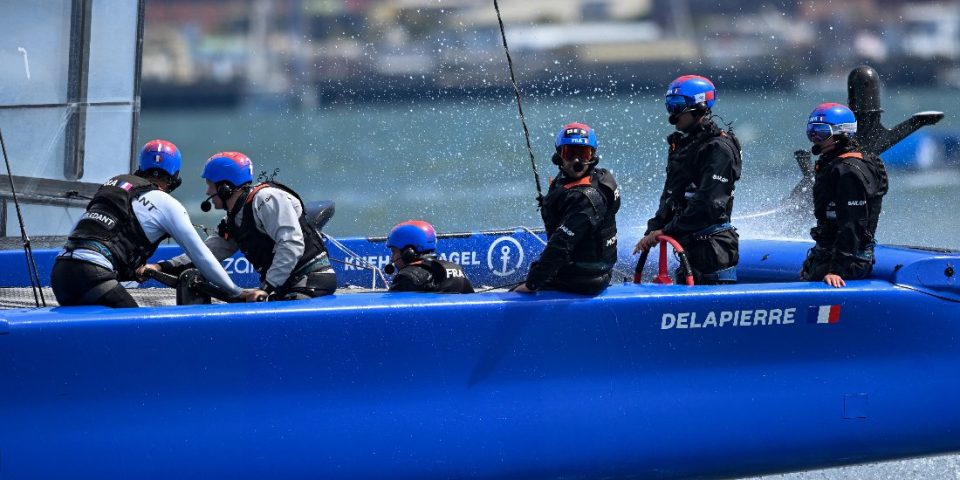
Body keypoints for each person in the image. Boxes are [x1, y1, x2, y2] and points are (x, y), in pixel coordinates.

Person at [51, 139, 259, 307]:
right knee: (139, 333)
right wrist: (237, 293)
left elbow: (89, 236)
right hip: (92, 275)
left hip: (60, 274)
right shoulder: (167, 203)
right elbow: (202, 256)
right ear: (174, 177)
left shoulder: (115, 186)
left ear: (141, 169)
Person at [146, 151, 336, 300]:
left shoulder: (266, 200)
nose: (207, 191)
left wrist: (266, 289)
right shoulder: (233, 220)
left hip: (311, 280)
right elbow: (204, 254)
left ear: (224, 188)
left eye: (210, 185)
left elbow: (291, 245)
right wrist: (161, 267)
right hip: (284, 286)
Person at [634, 75, 742, 285]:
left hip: (713, 251)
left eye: (678, 106)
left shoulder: (719, 148)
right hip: (685, 246)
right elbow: (672, 193)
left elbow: (708, 203)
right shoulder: (682, 145)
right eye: (669, 105)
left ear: (700, 107)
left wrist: (667, 230)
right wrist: (653, 229)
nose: (672, 114)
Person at [514, 122, 620, 295]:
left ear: (592, 155)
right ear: (559, 156)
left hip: (584, 279)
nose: (576, 161)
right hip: (584, 270)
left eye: (583, 154)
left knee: (515, 294)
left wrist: (532, 283)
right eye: (570, 154)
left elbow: (561, 244)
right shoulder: (570, 180)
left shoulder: (586, 198)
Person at [800, 102, 888, 288]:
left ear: (842, 133)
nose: (815, 138)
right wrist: (813, 261)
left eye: (822, 132)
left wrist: (836, 270)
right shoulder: (833, 164)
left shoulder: (849, 171)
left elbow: (853, 223)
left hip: (848, 264)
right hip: (828, 255)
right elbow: (830, 222)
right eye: (812, 131)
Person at [384, 220, 474, 293]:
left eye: (394, 251)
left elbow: (390, 312)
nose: (392, 258)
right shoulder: (456, 269)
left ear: (408, 252)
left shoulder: (408, 276)